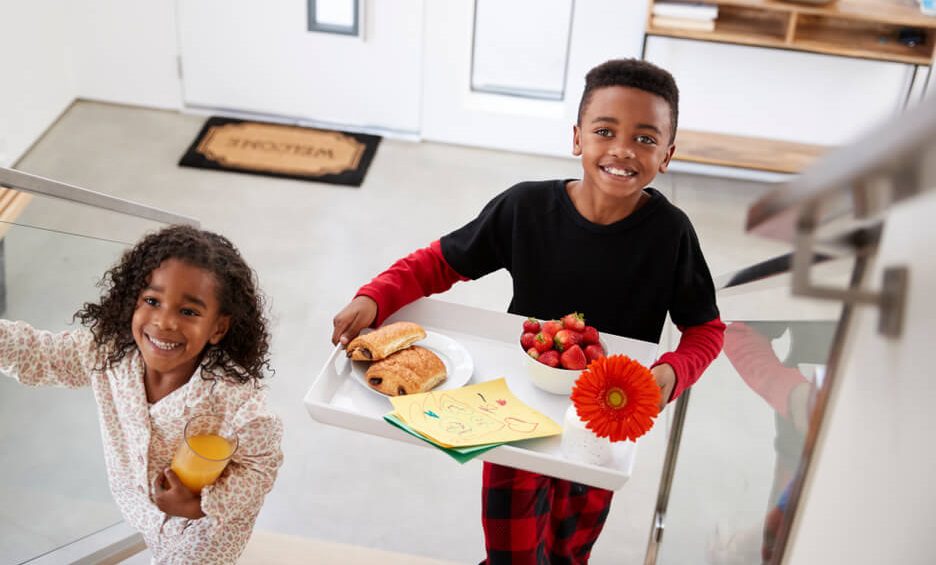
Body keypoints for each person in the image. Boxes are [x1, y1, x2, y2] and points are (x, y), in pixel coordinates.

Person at [332, 58, 726, 563]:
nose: (623, 150)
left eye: (645, 139)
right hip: (510, 412)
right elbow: (438, 263)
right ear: (577, 138)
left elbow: (705, 329)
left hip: (603, 423)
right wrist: (375, 296)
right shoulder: (525, 208)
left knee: (569, 554)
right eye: (605, 131)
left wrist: (671, 373)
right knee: (512, 554)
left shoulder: (671, 234)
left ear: (667, 155)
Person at [0, 225, 283, 564]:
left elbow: (260, 467)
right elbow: (40, 354)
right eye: (152, 301)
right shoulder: (108, 354)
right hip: (144, 515)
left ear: (218, 328)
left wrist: (199, 506)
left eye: (188, 311)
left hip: (205, 533)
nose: (164, 322)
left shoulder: (235, 399)